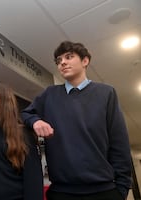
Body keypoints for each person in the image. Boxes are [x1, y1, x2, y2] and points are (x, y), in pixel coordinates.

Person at [21, 41, 132, 200]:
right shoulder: (50, 94)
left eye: (69, 57)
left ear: (85, 61)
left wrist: (122, 188)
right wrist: (35, 121)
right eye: (59, 61)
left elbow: (119, 142)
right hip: (61, 192)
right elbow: (25, 114)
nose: (62, 63)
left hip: (104, 190)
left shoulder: (106, 93)